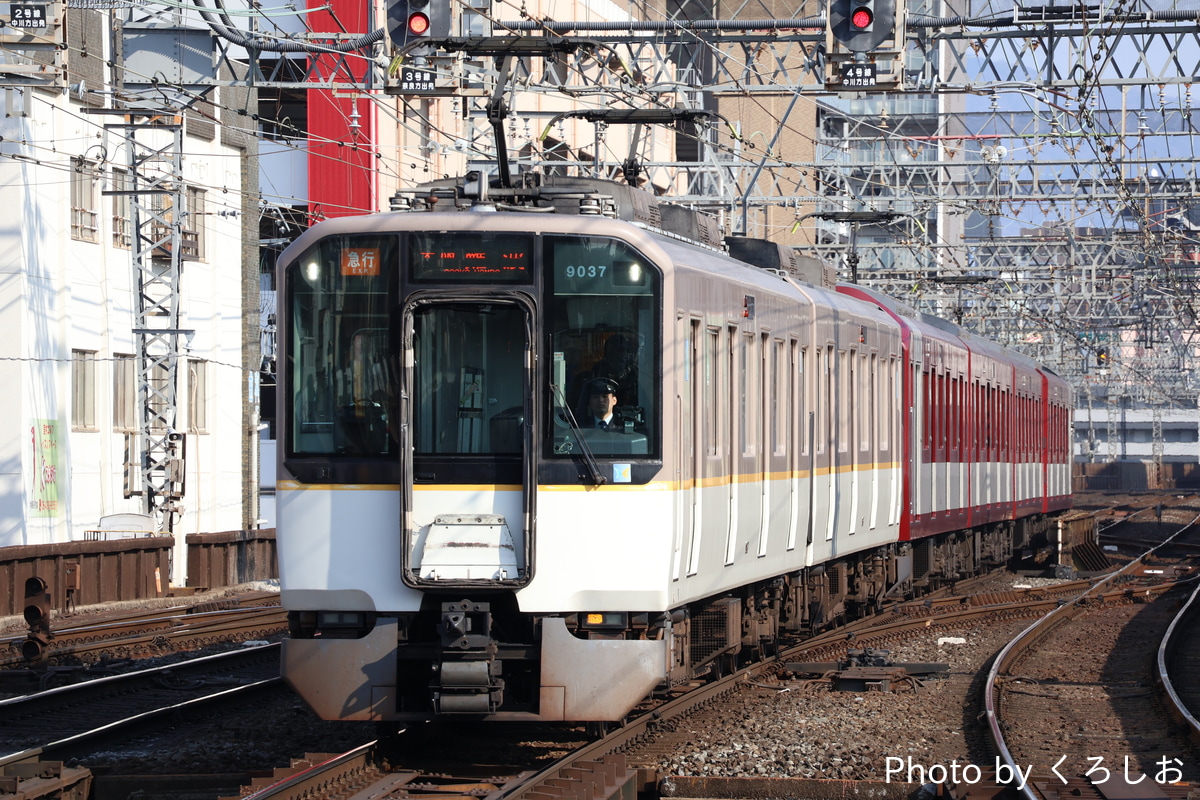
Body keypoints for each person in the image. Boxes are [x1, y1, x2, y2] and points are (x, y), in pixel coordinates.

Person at [590, 334, 639, 409]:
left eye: (622, 350)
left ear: (627, 354)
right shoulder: (595, 376)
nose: (618, 355)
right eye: (613, 351)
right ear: (606, 355)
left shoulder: (636, 376)